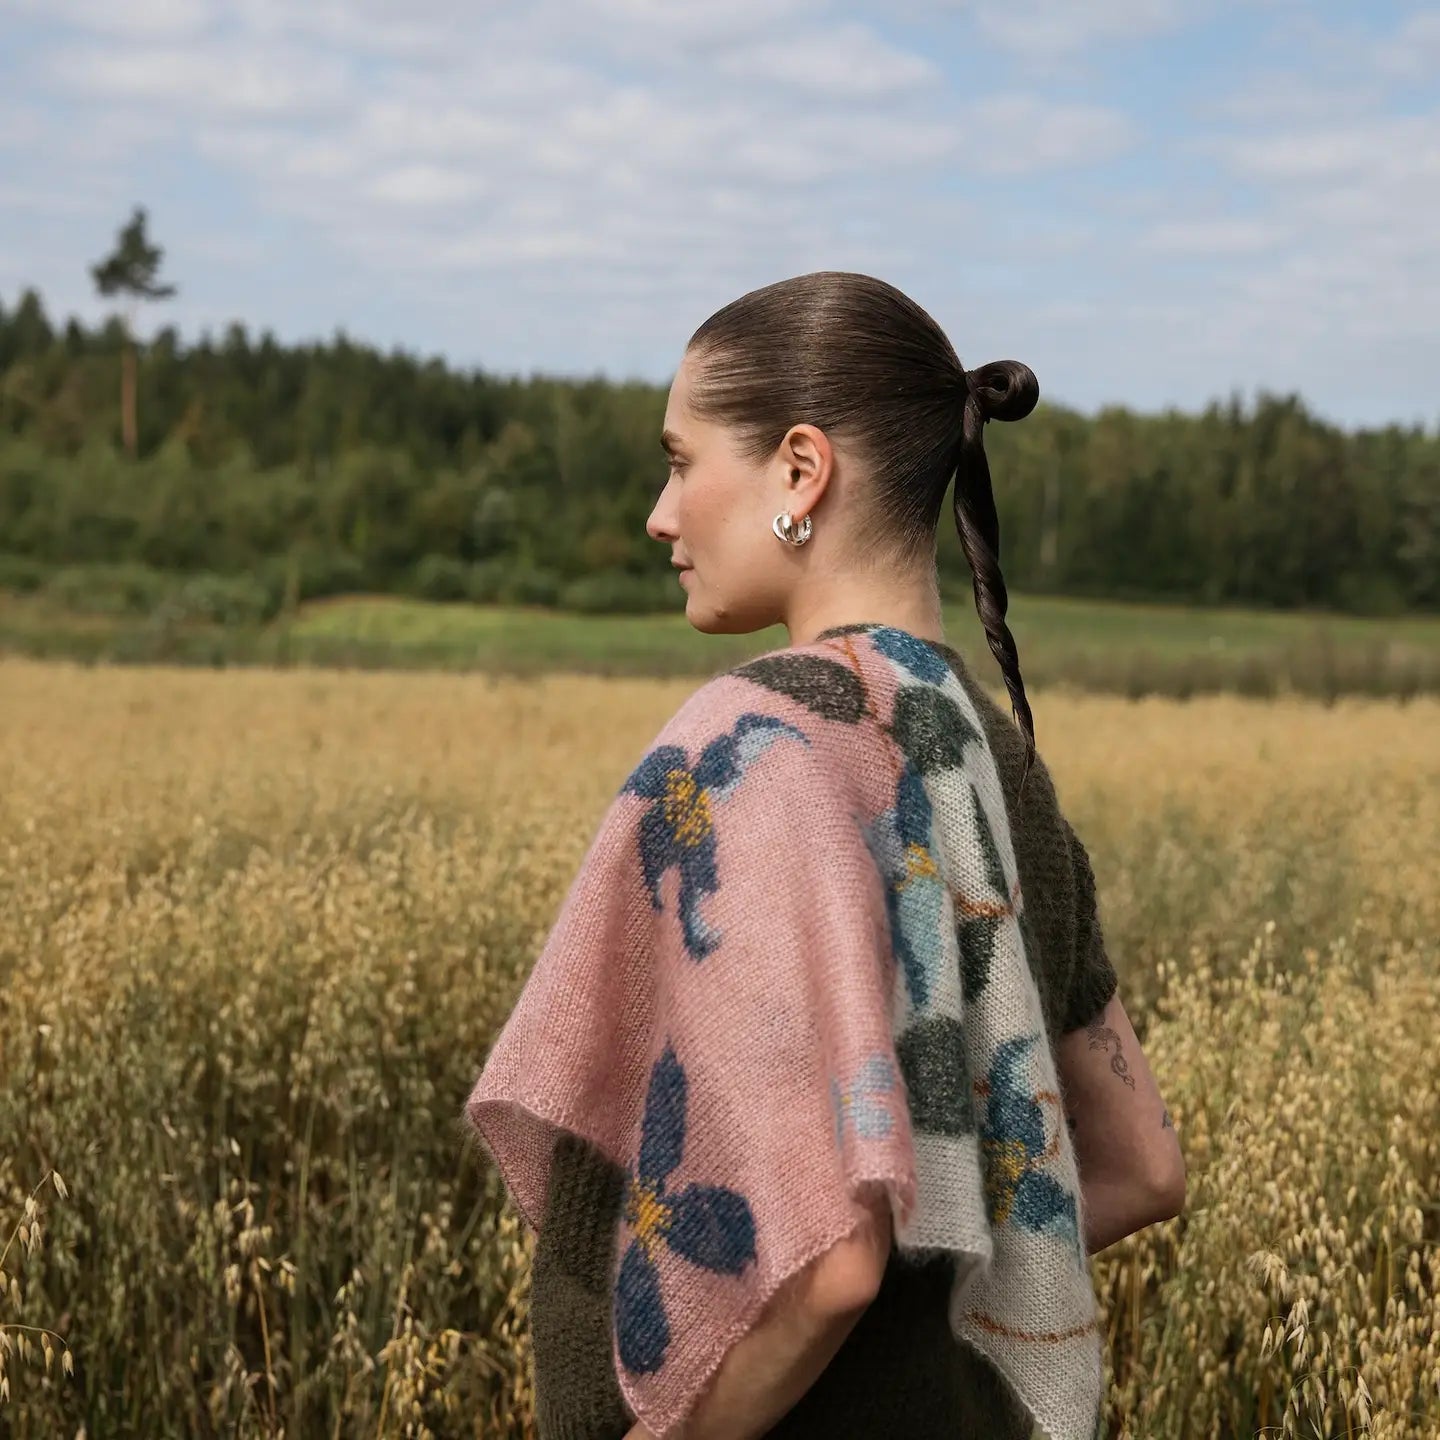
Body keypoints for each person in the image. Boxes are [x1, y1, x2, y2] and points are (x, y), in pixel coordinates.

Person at [466, 271, 1185, 1440]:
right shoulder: (999, 766)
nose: (660, 513)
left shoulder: (752, 749)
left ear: (800, 472)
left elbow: (832, 1261)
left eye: (681, 459)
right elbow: (1143, 1165)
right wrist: (941, 1285)